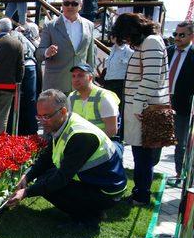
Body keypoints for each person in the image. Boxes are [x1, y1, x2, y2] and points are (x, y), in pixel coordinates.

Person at [7, 89, 127, 228]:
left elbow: (61, 178)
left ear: (63, 111)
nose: (42, 122)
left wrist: (26, 192)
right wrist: (27, 176)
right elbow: (47, 157)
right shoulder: (63, 123)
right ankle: (92, 210)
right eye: (39, 117)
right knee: (44, 179)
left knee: (51, 185)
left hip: (107, 192)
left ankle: (88, 219)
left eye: (46, 116)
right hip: (96, 182)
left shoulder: (80, 136)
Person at [111, 13, 170, 206]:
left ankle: (141, 194)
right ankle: (140, 191)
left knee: (143, 155)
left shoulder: (151, 42)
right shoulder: (149, 42)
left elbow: (151, 78)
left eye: (126, 36)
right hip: (142, 106)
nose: (127, 41)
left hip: (144, 108)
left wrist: (137, 104)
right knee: (141, 154)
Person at [36, 0, 96, 93]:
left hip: (81, 85)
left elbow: (90, 56)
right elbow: (38, 54)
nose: (70, 6)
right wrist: (47, 52)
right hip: (56, 85)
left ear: (80, 6)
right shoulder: (50, 26)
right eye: (66, 3)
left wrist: (91, 80)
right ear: (62, 5)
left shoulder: (89, 25)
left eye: (74, 4)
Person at [0, 18, 24, 133]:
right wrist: (18, 83)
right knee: (2, 118)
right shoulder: (17, 44)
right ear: (11, 29)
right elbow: (21, 66)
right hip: (8, 85)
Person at [167, 21, 194, 184]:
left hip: (183, 105)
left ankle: (179, 174)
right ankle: (150, 168)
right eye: (175, 34)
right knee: (155, 137)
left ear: (191, 36)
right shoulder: (168, 51)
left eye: (181, 35)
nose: (177, 38)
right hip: (162, 101)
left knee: (181, 143)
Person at [68, 64, 119, 138]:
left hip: (105, 142)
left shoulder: (104, 97)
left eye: (80, 75)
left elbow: (111, 131)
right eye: (73, 76)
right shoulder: (71, 97)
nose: (76, 79)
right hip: (80, 141)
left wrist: (90, 143)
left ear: (90, 78)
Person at [103, 37, 133, 137]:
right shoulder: (113, 49)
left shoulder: (128, 51)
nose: (112, 38)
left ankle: (120, 133)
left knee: (119, 108)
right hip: (109, 81)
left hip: (120, 82)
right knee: (110, 107)